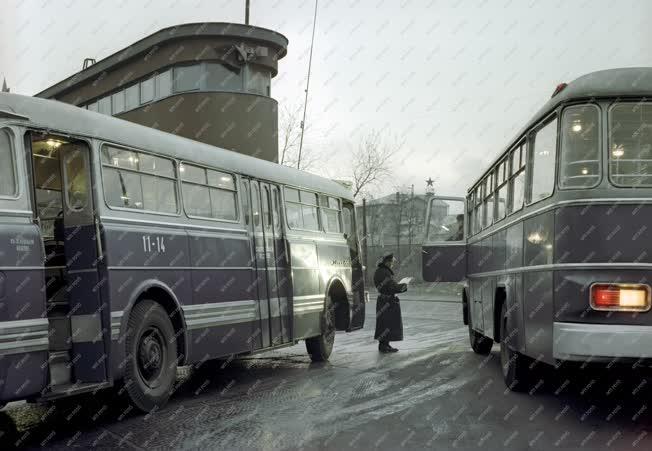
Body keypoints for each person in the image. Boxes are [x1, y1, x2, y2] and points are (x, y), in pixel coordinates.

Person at [373, 253, 407, 353]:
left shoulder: (381, 271)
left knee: (385, 324)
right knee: (387, 323)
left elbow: (388, 286)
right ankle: (384, 346)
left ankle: (385, 345)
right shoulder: (384, 272)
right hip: (387, 302)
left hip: (384, 301)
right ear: (387, 262)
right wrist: (404, 285)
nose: (392, 264)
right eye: (392, 262)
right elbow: (391, 287)